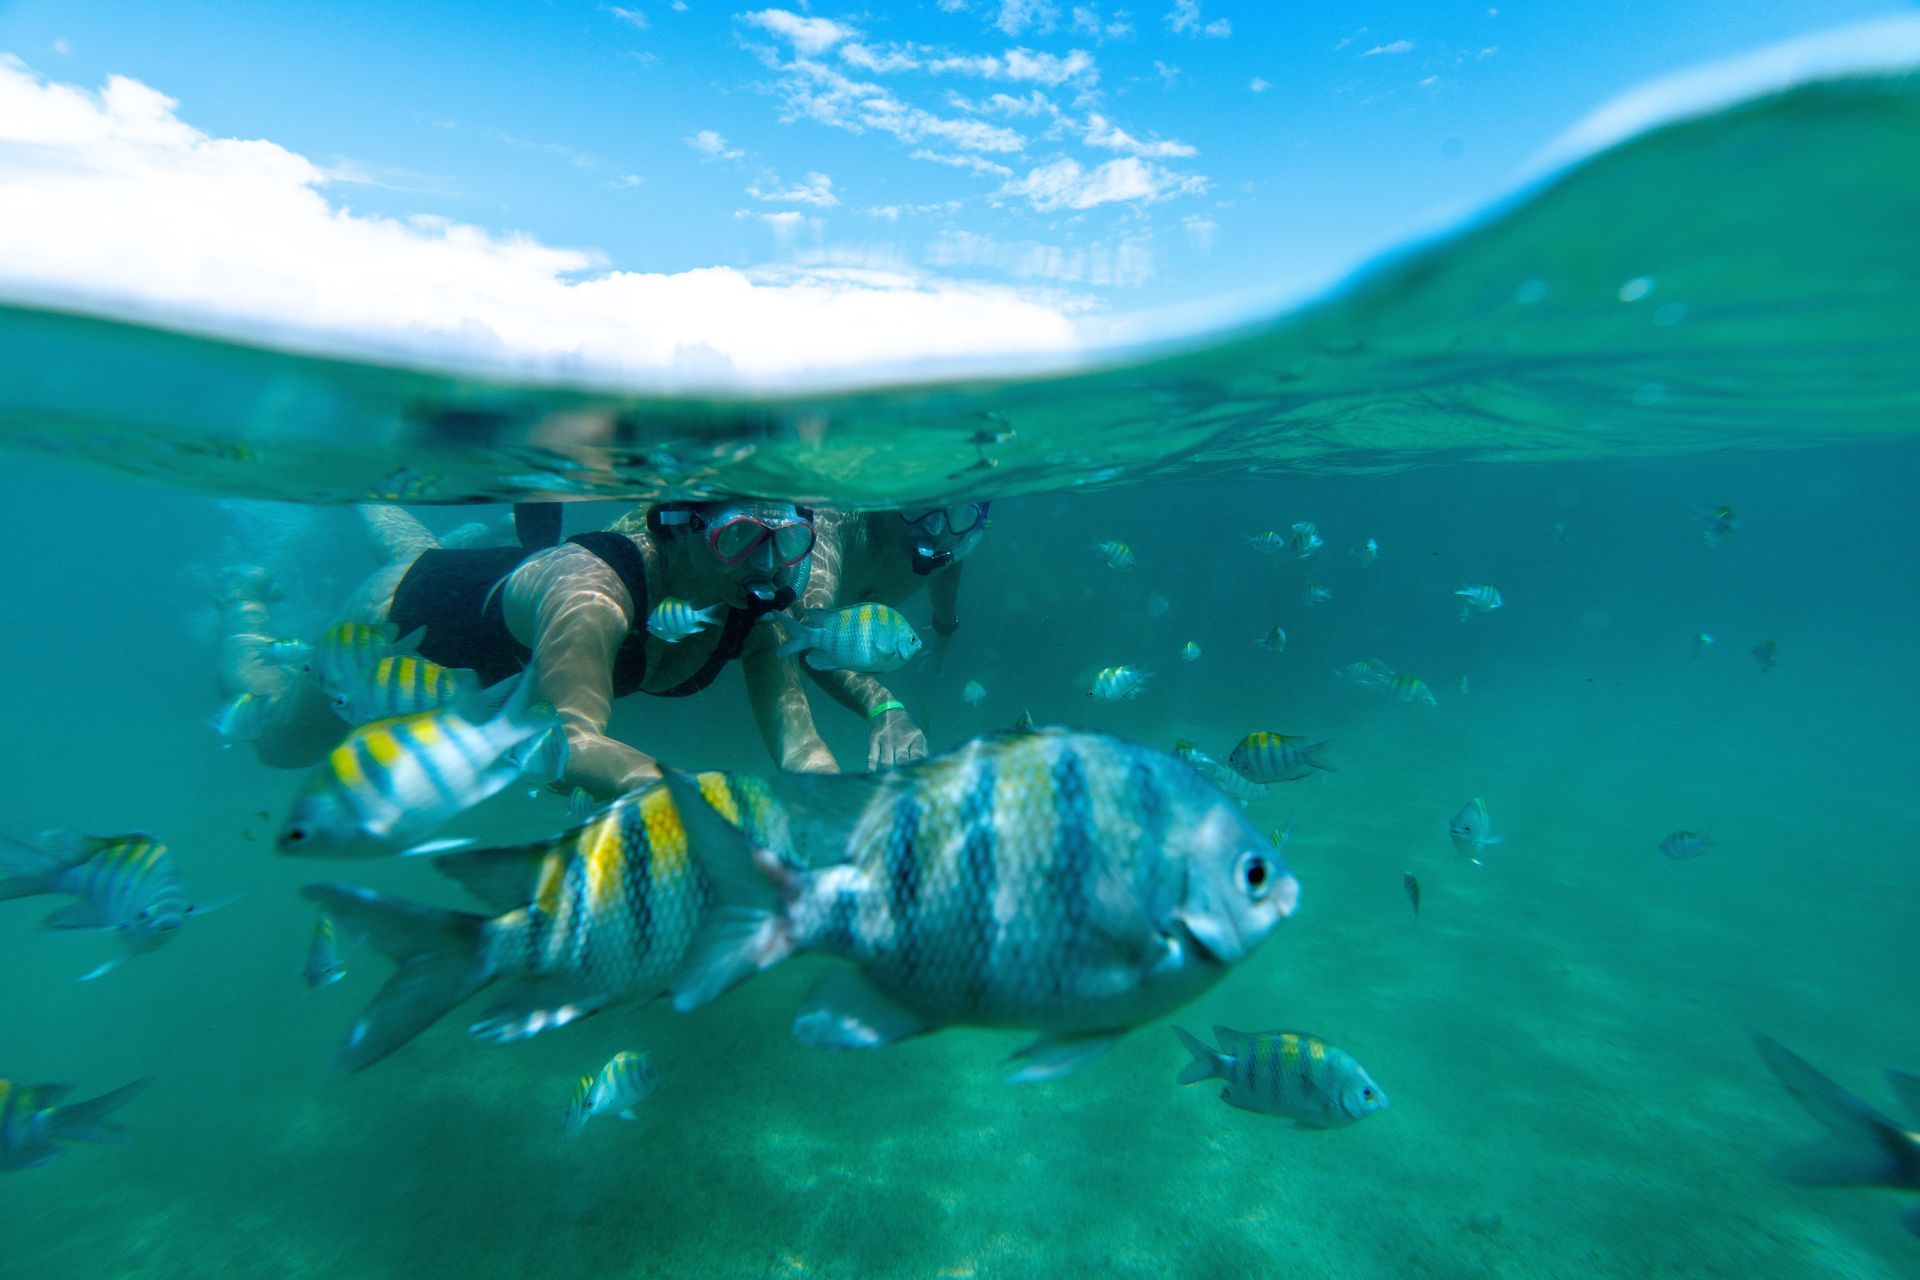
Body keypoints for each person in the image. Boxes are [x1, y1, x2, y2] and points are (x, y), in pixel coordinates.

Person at [220, 499, 839, 796]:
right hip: (404, 613)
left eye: (786, 542)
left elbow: (802, 746)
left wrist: (848, 816)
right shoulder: (592, 588)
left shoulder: (752, 614)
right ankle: (245, 609)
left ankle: (418, 528)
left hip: (491, 586)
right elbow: (573, 739)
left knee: (425, 549)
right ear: (673, 530)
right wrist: (716, 813)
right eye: (738, 538)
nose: (763, 564)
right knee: (277, 743)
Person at [798, 502, 988, 769]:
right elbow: (807, 629)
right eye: (918, 506)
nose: (934, 529)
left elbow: (947, 581)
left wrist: (944, 629)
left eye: (959, 514)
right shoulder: (835, 518)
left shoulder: (951, 540)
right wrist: (883, 706)